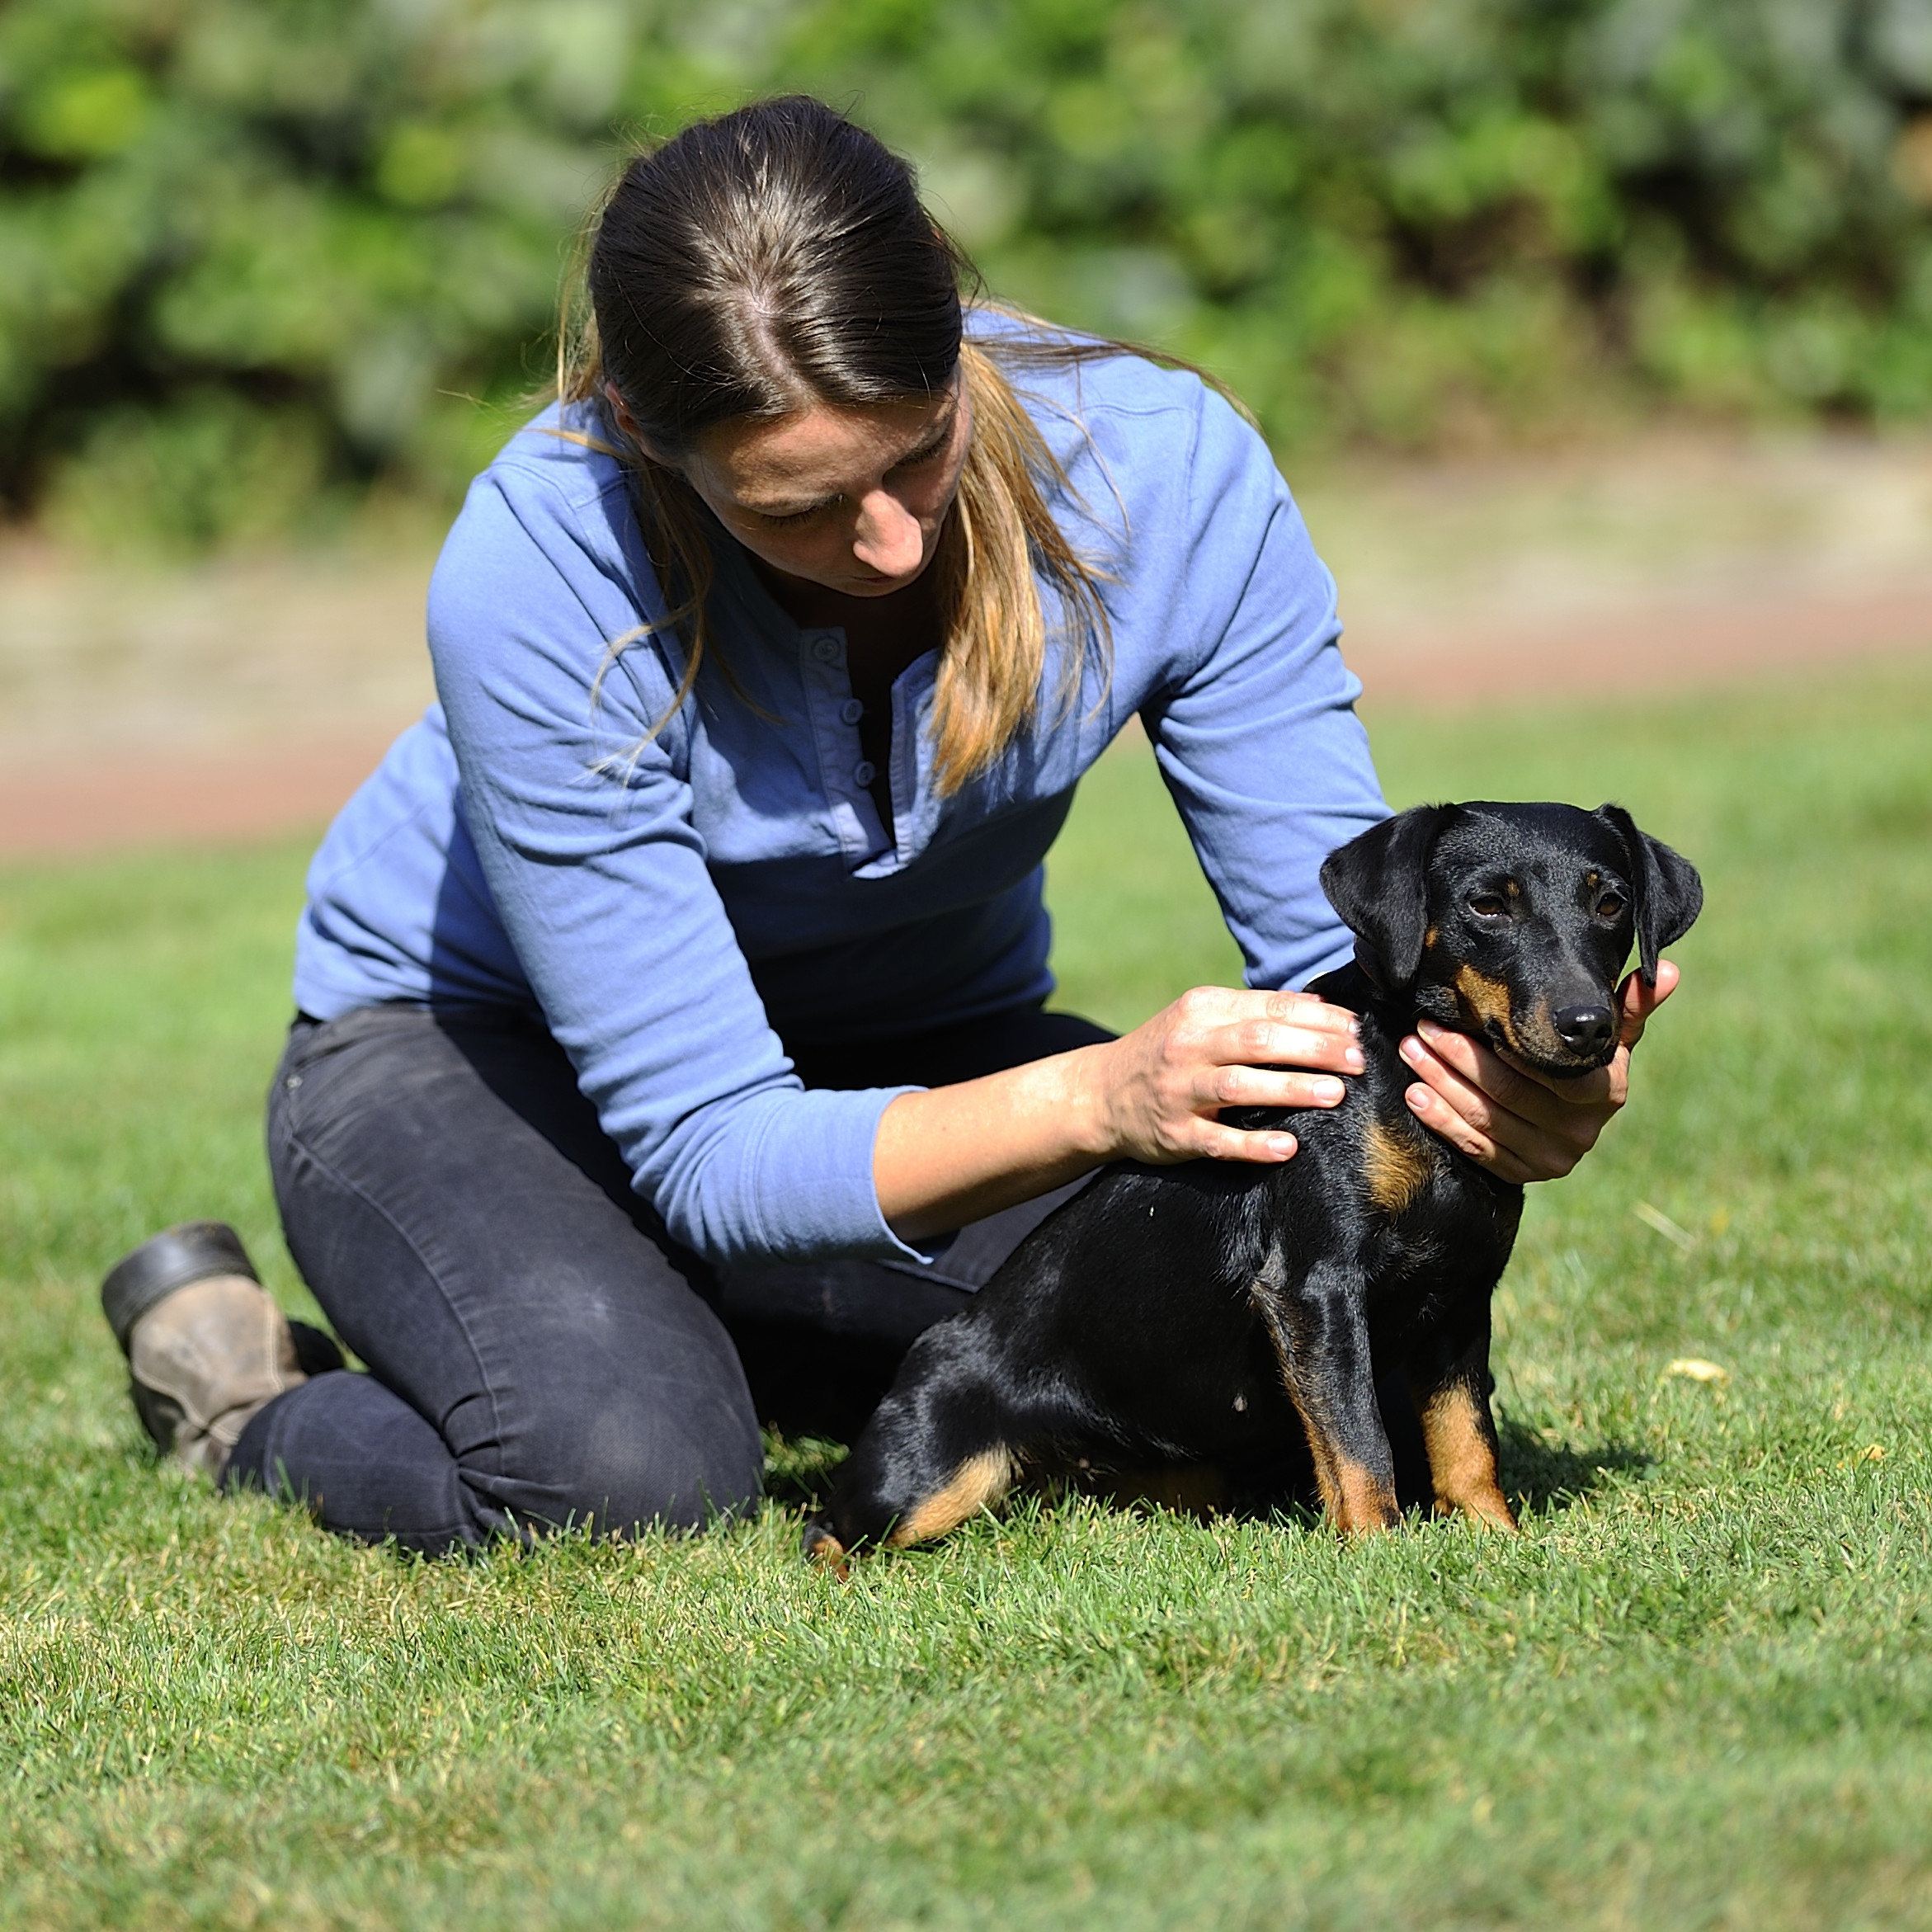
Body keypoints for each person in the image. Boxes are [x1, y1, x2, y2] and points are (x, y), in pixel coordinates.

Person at [99, 97, 1676, 1553]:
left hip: (924, 1046)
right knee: (623, 1470)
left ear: (957, 323)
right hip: (472, 1062)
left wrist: (1504, 1089)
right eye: (792, 506)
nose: (889, 535)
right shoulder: (539, 564)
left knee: (1229, 1367)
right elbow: (709, 1141)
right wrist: (1104, 1097)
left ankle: (704, 1326)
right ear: (654, 444)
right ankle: (250, 1396)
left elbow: (1339, 950)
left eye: (921, 447)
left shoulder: (1169, 472)